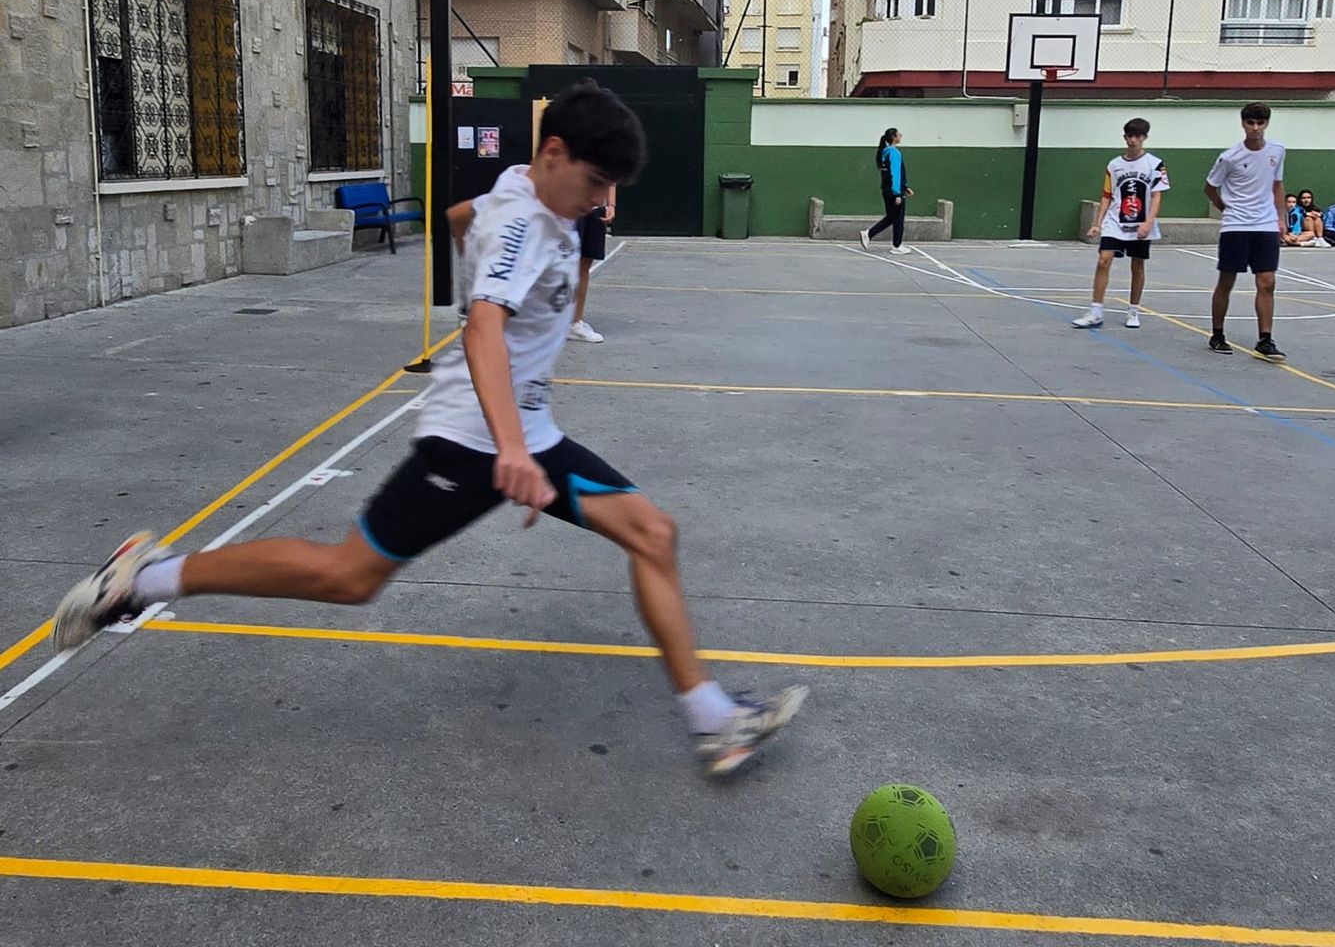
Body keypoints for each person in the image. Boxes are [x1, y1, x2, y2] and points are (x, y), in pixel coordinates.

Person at [50, 83, 807, 776]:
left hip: (528, 432)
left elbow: (458, 217)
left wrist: (517, 415)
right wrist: (508, 444)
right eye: (597, 182)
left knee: (653, 534)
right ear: (554, 155)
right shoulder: (529, 227)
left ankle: (714, 720)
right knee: (346, 577)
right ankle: (139, 581)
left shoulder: (517, 190)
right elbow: (481, 330)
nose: (605, 201)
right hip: (472, 440)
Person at [1204, 102, 1287, 362]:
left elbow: (1277, 185)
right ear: (1243, 124)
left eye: (1260, 123)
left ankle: (1265, 339)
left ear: (1266, 124)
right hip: (1236, 226)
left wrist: (1280, 219)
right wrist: (1225, 208)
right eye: (1250, 123)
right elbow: (1210, 187)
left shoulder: (1278, 151)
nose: (1255, 128)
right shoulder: (1229, 157)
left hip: (1265, 226)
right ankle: (1217, 334)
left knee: (1267, 281)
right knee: (1227, 281)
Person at [1072, 117, 1170, 330]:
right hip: (1116, 221)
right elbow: (1107, 195)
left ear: (1144, 138)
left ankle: (1133, 310)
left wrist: (1148, 222)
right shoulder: (1114, 165)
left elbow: (1157, 196)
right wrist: (1097, 222)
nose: (1133, 140)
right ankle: (1096, 310)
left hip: (1141, 222)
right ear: (1125, 137)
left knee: (1137, 265)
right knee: (1103, 260)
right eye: (1129, 136)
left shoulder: (1155, 164)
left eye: (1137, 136)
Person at [568, 186, 615, 344]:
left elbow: (611, 173)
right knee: (564, 261)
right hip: (570, 205)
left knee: (585, 262)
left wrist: (611, 205)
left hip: (596, 208)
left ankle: (575, 323)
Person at [860, 127, 913, 256]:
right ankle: (896, 245)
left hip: (886, 189)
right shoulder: (894, 152)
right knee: (898, 218)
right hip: (893, 191)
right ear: (894, 137)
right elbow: (895, 173)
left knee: (891, 217)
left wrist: (904, 187)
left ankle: (869, 234)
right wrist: (898, 193)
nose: (901, 135)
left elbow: (890, 174)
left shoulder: (885, 152)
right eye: (898, 134)